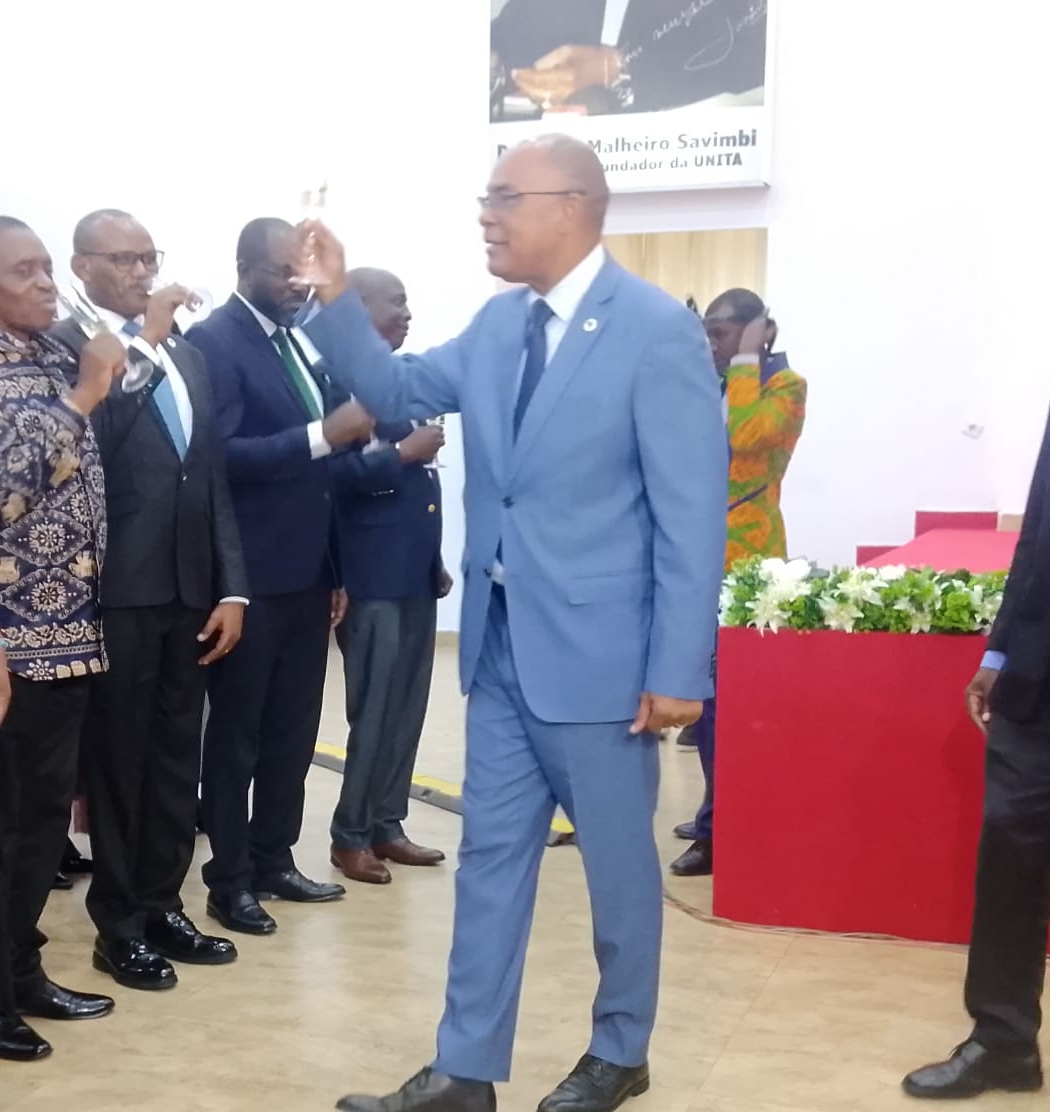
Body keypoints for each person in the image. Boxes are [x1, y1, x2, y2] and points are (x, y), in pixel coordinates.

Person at [299, 135, 726, 1112]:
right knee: (489, 864)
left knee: (618, 872)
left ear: (571, 205)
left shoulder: (655, 331)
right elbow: (398, 392)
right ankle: (465, 1066)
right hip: (499, 655)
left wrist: (679, 668)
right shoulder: (497, 325)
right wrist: (334, 298)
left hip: (605, 667)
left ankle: (620, 1048)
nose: (485, 216)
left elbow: (690, 515)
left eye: (502, 197)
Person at [53, 209, 248, 990]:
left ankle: (164, 903)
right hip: (118, 589)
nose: (141, 272)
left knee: (175, 757)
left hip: (190, 588)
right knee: (119, 760)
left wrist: (233, 586)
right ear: (83, 266)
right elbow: (87, 443)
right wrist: (143, 344)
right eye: (123, 259)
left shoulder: (189, 357)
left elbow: (210, 478)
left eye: (148, 258)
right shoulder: (73, 345)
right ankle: (119, 923)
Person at [0, 215, 126, 1061]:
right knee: (6, 825)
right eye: (24, 270)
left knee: (43, 819)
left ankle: (20, 969)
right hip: (8, 640)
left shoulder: (55, 352)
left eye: (49, 267)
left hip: (74, 626)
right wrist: (84, 397)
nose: (47, 283)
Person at [186, 218, 373, 936]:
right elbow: (219, 456)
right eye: (282, 272)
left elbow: (316, 478)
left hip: (307, 571)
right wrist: (323, 434)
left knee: (293, 732)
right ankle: (228, 879)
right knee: (237, 737)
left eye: (303, 272)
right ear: (243, 268)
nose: (297, 285)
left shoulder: (295, 340)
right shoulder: (216, 340)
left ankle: (275, 859)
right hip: (250, 575)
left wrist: (335, 569)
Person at [900, 398, 1050, 1099]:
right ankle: (1003, 1041)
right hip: (1043, 678)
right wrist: (1000, 651)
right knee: (1010, 857)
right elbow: (1041, 532)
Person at [670, 288, 807, 878]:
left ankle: (719, 831)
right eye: (707, 333)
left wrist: (747, 359)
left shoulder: (786, 387)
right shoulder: (720, 383)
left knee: (730, 708)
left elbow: (748, 435)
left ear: (761, 332)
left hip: (749, 567)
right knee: (705, 707)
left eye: (722, 334)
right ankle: (714, 814)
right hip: (697, 559)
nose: (712, 344)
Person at [329, 267, 451, 885]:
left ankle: (386, 823)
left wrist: (434, 560)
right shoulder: (337, 383)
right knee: (374, 710)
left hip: (413, 575)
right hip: (370, 576)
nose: (407, 312)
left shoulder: (403, 381)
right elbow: (330, 479)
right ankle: (349, 835)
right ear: (358, 311)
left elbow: (419, 489)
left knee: (407, 709)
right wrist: (402, 453)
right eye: (394, 302)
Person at [490, 0, 767, 119]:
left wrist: (620, 73)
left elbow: (753, 61)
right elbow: (502, 46)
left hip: (681, 170)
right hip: (563, 174)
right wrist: (494, 70)